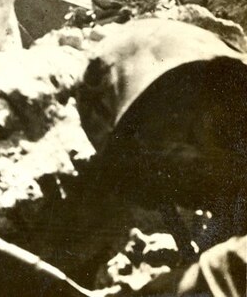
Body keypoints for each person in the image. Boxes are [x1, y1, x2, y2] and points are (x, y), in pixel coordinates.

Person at [76, 20, 247, 297]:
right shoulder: (227, 219)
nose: (181, 153)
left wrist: (189, 286)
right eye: (153, 148)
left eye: (179, 120)